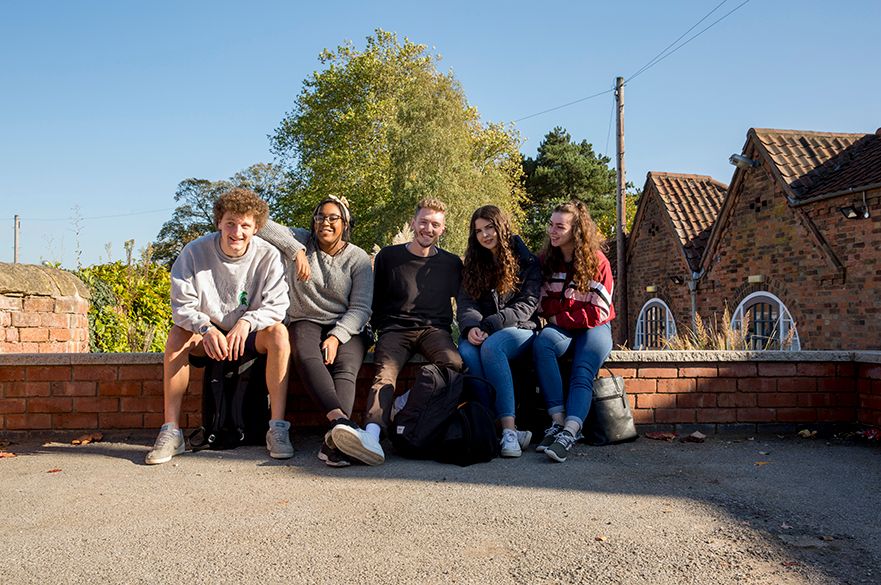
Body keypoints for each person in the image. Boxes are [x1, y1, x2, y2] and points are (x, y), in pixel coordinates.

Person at [145, 188, 292, 465]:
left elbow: (277, 306)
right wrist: (205, 328)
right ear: (219, 223)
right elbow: (181, 306)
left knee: (279, 334)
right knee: (177, 335)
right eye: (231, 224)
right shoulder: (194, 252)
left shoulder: (269, 255)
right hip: (208, 335)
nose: (237, 232)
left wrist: (248, 321)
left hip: (249, 333)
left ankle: (278, 428)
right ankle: (171, 432)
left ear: (256, 228)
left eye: (245, 225)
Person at [330, 197, 463, 465]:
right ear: (414, 223)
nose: (428, 228)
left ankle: (403, 403)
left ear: (443, 229)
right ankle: (372, 435)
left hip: (434, 330)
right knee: (384, 376)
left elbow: (463, 301)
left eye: (435, 224)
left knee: (455, 364)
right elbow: (375, 297)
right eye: (423, 222)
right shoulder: (389, 256)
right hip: (395, 330)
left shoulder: (451, 263)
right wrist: (379, 329)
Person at [258, 196, 374, 467]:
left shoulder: (357, 258)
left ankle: (333, 441)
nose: (326, 222)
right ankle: (341, 425)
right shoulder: (302, 240)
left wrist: (336, 336)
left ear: (345, 224)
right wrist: (295, 250)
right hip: (305, 318)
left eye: (334, 218)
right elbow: (260, 223)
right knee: (305, 353)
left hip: (347, 323)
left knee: (346, 365)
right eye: (320, 217)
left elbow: (360, 307)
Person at [532, 199, 615, 463]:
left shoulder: (598, 263)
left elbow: (598, 312)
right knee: (542, 344)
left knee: (582, 368)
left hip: (596, 329)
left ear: (575, 231)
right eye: (551, 225)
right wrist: (559, 315)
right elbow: (542, 302)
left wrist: (559, 315)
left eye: (560, 227)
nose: (552, 231)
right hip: (563, 327)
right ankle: (557, 421)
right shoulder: (546, 260)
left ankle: (570, 431)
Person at [456, 205, 541, 458]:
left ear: (501, 226)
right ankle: (488, 423)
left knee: (493, 346)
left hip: (521, 330)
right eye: (479, 230)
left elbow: (527, 306)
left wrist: (489, 326)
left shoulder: (526, 261)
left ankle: (508, 431)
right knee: (467, 351)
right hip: (483, 328)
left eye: (490, 227)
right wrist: (471, 327)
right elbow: (466, 303)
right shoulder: (473, 264)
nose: (485, 235)